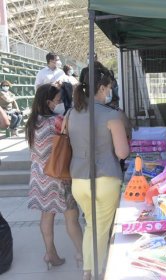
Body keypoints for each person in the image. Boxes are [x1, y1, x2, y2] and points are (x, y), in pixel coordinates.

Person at [69, 61, 130, 280]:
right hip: (105, 179)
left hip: (78, 179)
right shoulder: (111, 115)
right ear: (102, 88)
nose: (110, 91)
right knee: (102, 230)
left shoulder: (71, 114)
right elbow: (122, 153)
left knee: (91, 226)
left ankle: (88, 271)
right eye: (109, 87)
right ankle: (96, 273)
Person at [25, 83, 83, 270]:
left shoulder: (32, 122)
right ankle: (83, 255)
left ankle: (51, 253)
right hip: (58, 175)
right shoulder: (57, 121)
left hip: (39, 176)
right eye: (57, 100)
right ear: (49, 102)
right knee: (71, 217)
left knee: (46, 216)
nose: (60, 102)